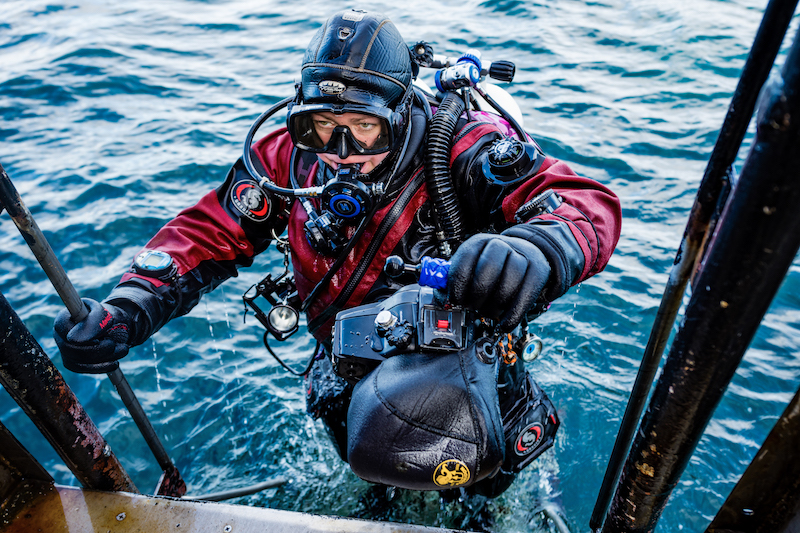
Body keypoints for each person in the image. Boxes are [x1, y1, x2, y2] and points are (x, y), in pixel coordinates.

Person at [54, 9, 621, 498]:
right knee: (369, 470)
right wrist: (130, 306)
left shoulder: (463, 150)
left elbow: (582, 203)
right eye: (321, 128)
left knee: (481, 493)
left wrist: (535, 248)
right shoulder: (287, 160)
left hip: (463, 366)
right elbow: (209, 231)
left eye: (362, 130)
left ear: (398, 120)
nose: (340, 152)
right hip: (347, 360)